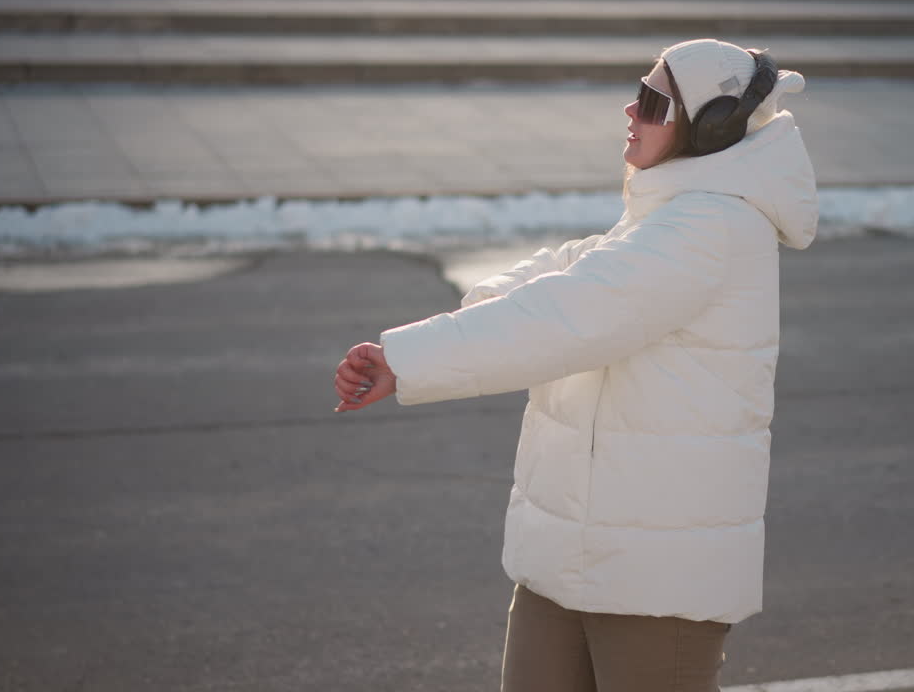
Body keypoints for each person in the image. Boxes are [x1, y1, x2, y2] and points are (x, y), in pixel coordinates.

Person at [332, 38, 818, 692]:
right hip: (575, 552)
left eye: (651, 102)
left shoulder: (710, 228)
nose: (630, 109)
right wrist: (433, 339)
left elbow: (568, 313)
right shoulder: (664, 218)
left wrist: (410, 359)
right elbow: (565, 273)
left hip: (656, 570)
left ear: (710, 127)